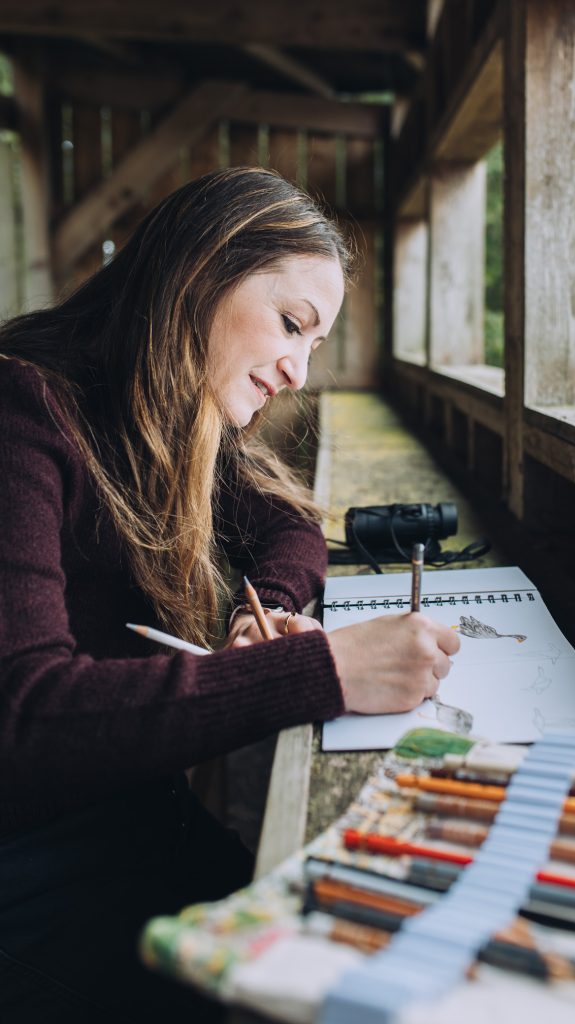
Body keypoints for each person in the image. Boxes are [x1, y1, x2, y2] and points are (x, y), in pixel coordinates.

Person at [0, 167, 460, 1022]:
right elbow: (24, 720)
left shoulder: (158, 415)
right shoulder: (22, 410)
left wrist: (265, 614)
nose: (295, 370)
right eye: (291, 325)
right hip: (31, 874)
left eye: (314, 346)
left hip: (133, 823)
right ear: (202, 271)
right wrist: (320, 673)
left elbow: (288, 519)